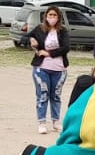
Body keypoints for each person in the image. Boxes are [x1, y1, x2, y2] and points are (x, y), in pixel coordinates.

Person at [27, 7, 70, 135]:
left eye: (54, 15)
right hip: (42, 68)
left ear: (58, 17)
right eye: (50, 15)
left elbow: (66, 47)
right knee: (42, 94)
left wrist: (49, 53)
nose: (52, 18)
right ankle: (42, 123)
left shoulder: (63, 31)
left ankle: (56, 122)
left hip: (59, 68)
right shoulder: (39, 29)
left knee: (55, 95)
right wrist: (31, 40)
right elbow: (26, 37)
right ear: (46, 16)